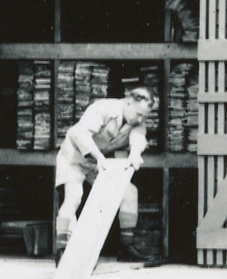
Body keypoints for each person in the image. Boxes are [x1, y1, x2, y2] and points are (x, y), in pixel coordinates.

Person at [54, 85, 159, 265]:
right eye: (138, 114)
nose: (140, 119)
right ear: (128, 102)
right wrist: (99, 157)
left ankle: (126, 247)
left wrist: (135, 155)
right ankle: (62, 250)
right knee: (74, 196)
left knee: (129, 192)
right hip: (73, 158)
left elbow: (138, 138)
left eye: (144, 116)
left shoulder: (137, 121)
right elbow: (80, 135)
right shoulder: (102, 108)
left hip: (96, 163)